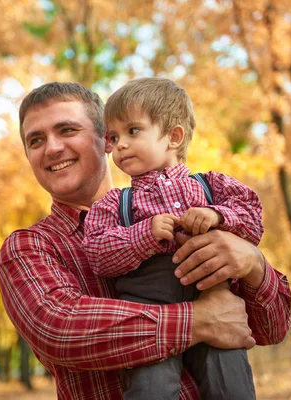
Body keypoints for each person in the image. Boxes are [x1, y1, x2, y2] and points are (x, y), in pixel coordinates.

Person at [0, 81, 291, 400]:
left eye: (67, 130)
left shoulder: (201, 203)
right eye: (36, 140)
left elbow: (271, 329)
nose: (52, 148)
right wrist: (201, 321)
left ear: (105, 140)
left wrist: (252, 262)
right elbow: (60, 329)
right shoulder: (29, 248)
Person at [83, 77, 262, 399]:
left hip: (214, 299)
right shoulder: (116, 203)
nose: (119, 144)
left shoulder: (211, 186)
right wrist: (142, 235)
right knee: (151, 387)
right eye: (113, 136)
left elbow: (253, 219)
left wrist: (219, 216)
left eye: (133, 131)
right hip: (149, 310)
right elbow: (96, 253)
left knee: (230, 381)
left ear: (173, 137)